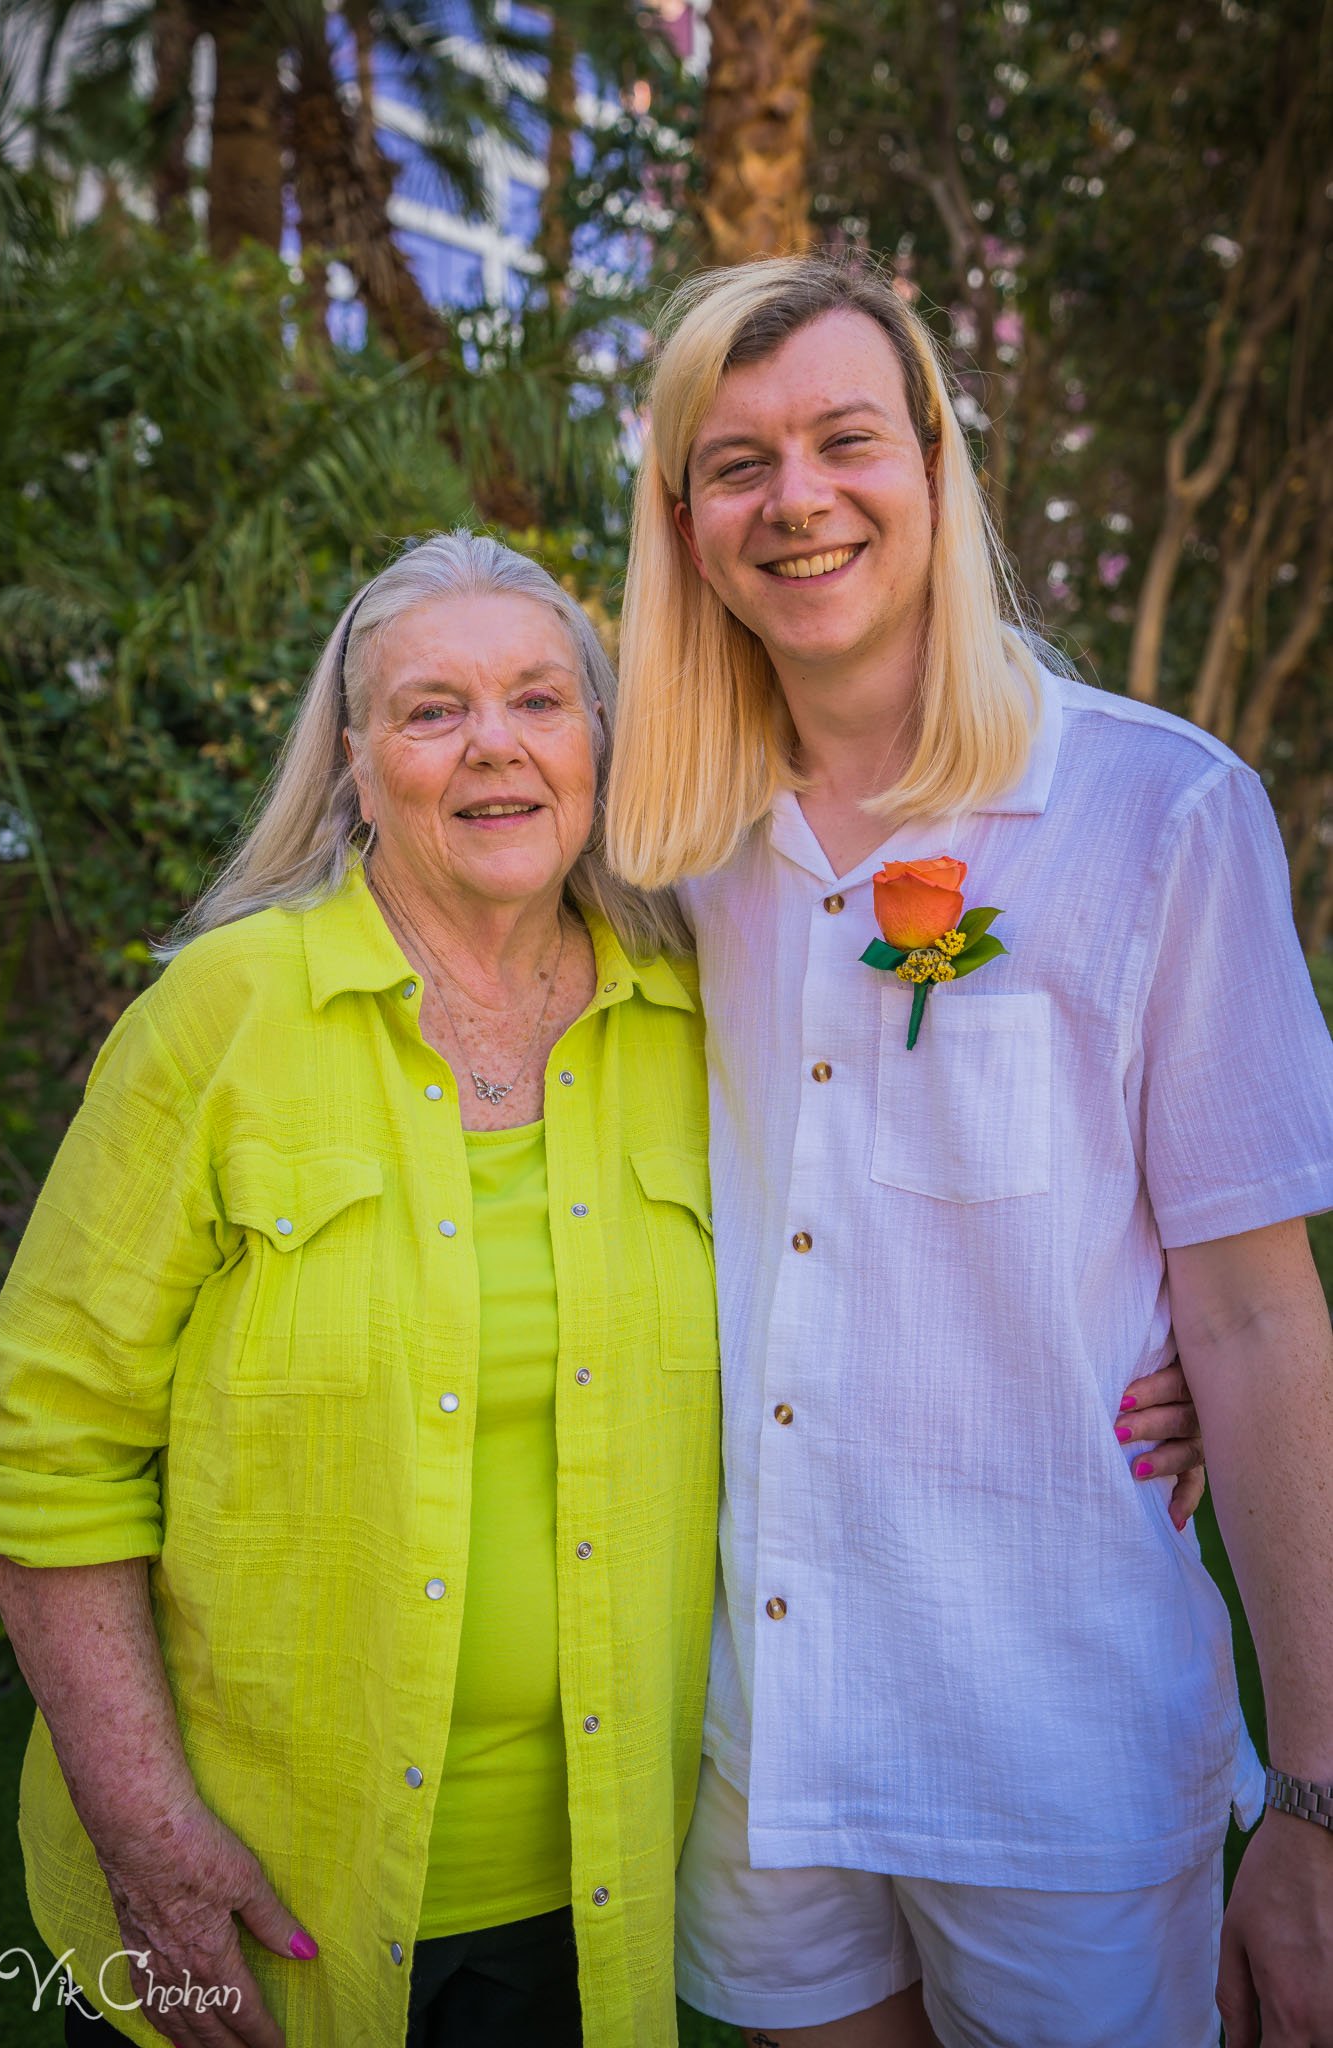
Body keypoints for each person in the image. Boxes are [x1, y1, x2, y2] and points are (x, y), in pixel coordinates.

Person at [606, 255, 1333, 2048]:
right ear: (684, 521)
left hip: (1054, 1757)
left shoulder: (1158, 812)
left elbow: (1249, 1323)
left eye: (847, 438)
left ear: (936, 462)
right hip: (762, 1742)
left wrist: (1315, 1798)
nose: (798, 500)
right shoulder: (657, 846)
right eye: (734, 461)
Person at [0, 533, 724, 2048]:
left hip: (599, 1892)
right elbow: (41, 1434)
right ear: (356, 767)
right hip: (262, 1888)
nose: (494, 744)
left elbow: (850, 1284)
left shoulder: (698, 1025)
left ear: (596, 745)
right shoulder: (224, 1018)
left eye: (537, 701)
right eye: (432, 710)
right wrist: (150, 1845)